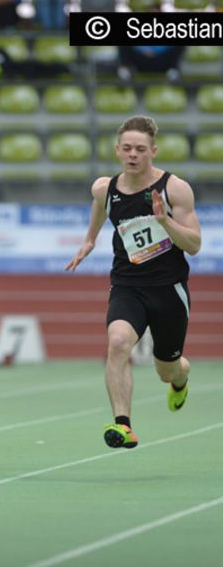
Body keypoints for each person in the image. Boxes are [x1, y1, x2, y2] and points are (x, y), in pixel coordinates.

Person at [66, 115, 201, 450]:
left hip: (169, 290)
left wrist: (164, 221)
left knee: (167, 369)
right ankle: (123, 425)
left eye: (140, 149)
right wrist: (90, 239)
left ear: (153, 151)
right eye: (127, 148)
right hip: (128, 285)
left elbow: (195, 245)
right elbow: (100, 205)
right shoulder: (104, 187)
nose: (133, 154)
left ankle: (181, 380)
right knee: (118, 343)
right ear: (117, 150)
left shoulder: (174, 188)